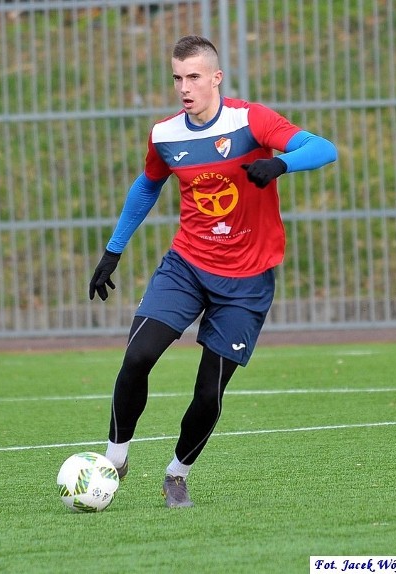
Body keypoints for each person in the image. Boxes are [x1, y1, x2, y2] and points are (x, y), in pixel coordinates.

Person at [88, 36, 337, 508]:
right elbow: (146, 188)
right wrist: (113, 250)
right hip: (187, 265)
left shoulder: (251, 120)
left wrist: (279, 163)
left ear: (216, 78)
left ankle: (176, 474)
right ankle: (114, 459)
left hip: (247, 279)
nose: (184, 87)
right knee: (137, 356)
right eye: (178, 78)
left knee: (208, 392)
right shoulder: (165, 135)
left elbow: (324, 148)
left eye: (194, 77)